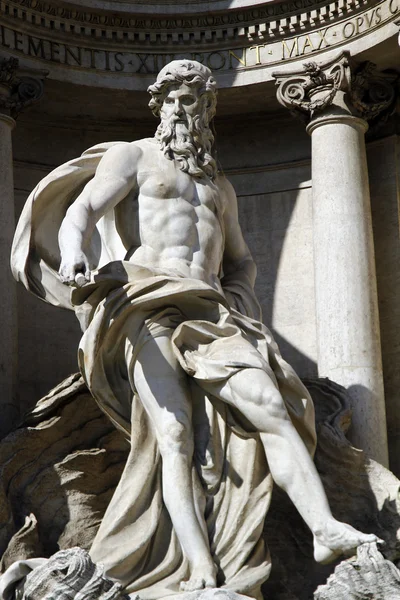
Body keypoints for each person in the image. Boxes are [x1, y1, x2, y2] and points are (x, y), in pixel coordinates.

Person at [11, 60, 378, 599]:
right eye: (176, 100)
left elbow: (242, 261)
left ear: (208, 110)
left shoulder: (220, 186)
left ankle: (322, 528)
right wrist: (73, 255)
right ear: (159, 107)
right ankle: (198, 566)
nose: (185, 110)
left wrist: (241, 306)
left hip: (211, 312)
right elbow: (83, 210)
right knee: (174, 435)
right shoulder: (133, 155)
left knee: (272, 408)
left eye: (196, 101)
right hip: (146, 303)